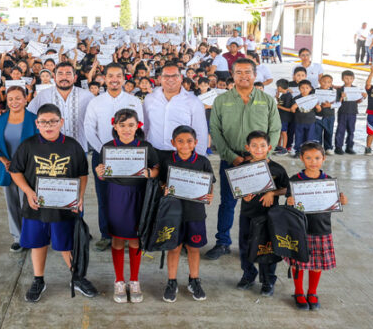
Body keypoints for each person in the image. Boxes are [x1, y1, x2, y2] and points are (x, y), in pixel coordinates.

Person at [8, 104, 97, 302]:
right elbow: (15, 171)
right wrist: (28, 192)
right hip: (36, 205)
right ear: (37, 124)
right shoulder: (28, 145)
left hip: (63, 207)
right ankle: (38, 280)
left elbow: (82, 174)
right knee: (38, 243)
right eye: (44, 122)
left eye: (53, 121)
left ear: (61, 122)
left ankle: (77, 277)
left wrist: (80, 196)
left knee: (66, 243)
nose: (48, 126)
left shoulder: (72, 145)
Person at [206, 58, 281, 260]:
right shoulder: (221, 101)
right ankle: (223, 243)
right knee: (227, 203)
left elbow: (275, 129)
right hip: (231, 161)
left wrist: (264, 157)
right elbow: (215, 130)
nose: (243, 76)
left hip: (259, 163)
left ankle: (254, 245)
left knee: (257, 205)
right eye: (238, 72)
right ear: (232, 74)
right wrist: (231, 156)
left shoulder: (267, 101)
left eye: (248, 72)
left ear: (255, 75)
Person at [94, 109, 160, 303]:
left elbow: (157, 168)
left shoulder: (145, 146)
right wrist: (100, 173)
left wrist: (150, 173)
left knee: (135, 239)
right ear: (115, 126)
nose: (126, 129)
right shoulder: (108, 147)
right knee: (117, 238)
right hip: (116, 195)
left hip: (139, 195)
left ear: (138, 126)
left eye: (131, 125)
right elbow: (103, 175)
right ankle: (119, 280)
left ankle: (134, 280)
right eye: (122, 125)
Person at [84, 63, 144, 251]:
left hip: (130, 157)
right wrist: (104, 151)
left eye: (118, 75)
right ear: (104, 79)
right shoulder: (96, 102)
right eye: (110, 76)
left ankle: (130, 232)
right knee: (104, 196)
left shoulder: (134, 101)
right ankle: (106, 234)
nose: (114, 79)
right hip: (102, 155)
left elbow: (141, 126)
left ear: (124, 78)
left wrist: (132, 150)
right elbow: (89, 129)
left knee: (130, 196)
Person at [285, 142, 348, 311]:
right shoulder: (295, 180)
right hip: (299, 229)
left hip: (321, 228)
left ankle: (312, 292)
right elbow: (289, 204)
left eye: (317, 158)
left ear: (324, 159)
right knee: (298, 263)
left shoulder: (328, 181)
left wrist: (342, 201)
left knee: (317, 263)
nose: (313, 161)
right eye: (308, 158)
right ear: (301, 158)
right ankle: (298, 291)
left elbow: (333, 201)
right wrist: (289, 202)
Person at [159, 125, 214, 303]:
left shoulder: (203, 161)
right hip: (173, 214)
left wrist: (209, 194)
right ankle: (171, 282)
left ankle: (194, 280)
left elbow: (210, 183)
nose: (185, 145)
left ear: (196, 142)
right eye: (180, 141)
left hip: (195, 213)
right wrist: (163, 189)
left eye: (189, 141)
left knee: (193, 248)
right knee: (173, 248)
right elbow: (161, 183)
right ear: (173, 142)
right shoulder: (167, 161)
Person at [236, 131, 289, 296]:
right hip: (247, 214)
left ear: (269, 147)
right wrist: (243, 195)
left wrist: (272, 193)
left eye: (262, 145)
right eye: (254, 145)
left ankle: (268, 280)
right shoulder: (242, 168)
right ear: (248, 148)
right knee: (245, 246)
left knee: (267, 248)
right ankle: (248, 274)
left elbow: (286, 189)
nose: (258, 149)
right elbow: (237, 189)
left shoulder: (277, 169)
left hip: (269, 216)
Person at [0, 86, 38, 252]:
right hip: (7, 168)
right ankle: (18, 237)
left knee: (29, 203)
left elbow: (39, 144)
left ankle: (31, 235)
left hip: (28, 169)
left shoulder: (34, 119)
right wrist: (4, 161)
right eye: (10, 99)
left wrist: (25, 163)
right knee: (12, 203)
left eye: (18, 98)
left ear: (26, 100)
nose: (14, 102)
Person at [143, 63, 208, 155]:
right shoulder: (149, 99)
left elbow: (200, 133)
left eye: (174, 76)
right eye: (166, 76)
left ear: (181, 78)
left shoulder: (194, 102)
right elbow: (145, 127)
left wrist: (198, 158)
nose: (170, 79)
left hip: (182, 155)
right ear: (160, 78)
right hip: (153, 152)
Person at [28, 62, 94, 152]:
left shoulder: (87, 96)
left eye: (68, 74)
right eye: (60, 74)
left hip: (79, 149)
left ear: (75, 78)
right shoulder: (43, 95)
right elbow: (29, 116)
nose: (64, 77)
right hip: (50, 150)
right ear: (54, 78)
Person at [334, 70, 366, 155]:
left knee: (351, 130)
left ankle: (349, 147)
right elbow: (337, 102)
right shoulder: (340, 89)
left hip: (353, 112)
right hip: (343, 112)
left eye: (351, 78)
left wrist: (363, 97)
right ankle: (338, 147)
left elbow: (358, 101)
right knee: (340, 130)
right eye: (346, 78)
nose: (348, 80)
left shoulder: (356, 89)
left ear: (353, 79)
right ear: (342, 79)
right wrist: (341, 97)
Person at [290, 80, 320, 158]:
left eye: (307, 88)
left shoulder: (313, 98)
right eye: (302, 88)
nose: (305, 90)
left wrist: (318, 107)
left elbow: (319, 110)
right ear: (299, 89)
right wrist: (294, 107)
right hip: (299, 121)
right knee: (298, 137)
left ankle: (308, 152)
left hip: (310, 121)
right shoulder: (296, 98)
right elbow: (292, 111)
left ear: (310, 89)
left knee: (310, 138)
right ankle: (298, 151)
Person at [313, 75, 335, 154]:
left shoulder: (334, 92)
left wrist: (330, 105)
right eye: (324, 81)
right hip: (317, 116)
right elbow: (310, 100)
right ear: (319, 81)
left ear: (331, 83)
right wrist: (316, 105)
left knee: (329, 132)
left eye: (328, 82)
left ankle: (328, 148)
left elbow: (339, 103)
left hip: (329, 116)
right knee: (317, 132)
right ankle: (318, 147)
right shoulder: (314, 91)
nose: (326, 83)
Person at [275, 79, 294, 154]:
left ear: (279, 87)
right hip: (280, 116)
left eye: (277, 87)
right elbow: (281, 103)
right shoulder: (283, 94)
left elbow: (289, 109)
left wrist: (278, 106)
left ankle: (284, 148)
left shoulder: (288, 96)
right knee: (279, 132)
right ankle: (279, 146)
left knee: (284, 132)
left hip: (285, 117)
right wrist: (277, 98)